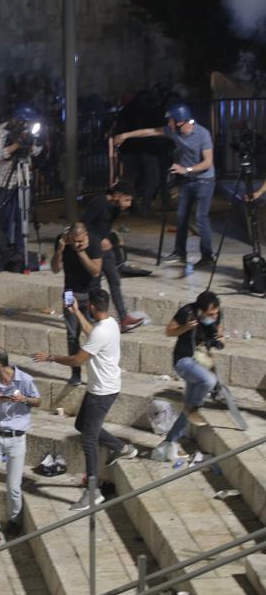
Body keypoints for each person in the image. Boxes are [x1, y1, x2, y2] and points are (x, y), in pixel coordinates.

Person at [33, 290, 137, 510]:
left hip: (102, 392)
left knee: (88, 439)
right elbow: (92, 333)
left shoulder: (101, 332)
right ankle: (122, 448)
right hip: (101, 387)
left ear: (91, 306)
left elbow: (77, 360)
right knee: (81, 425)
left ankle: (92, 492)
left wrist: (50, 357)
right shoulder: (111, 323)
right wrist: (77, 313)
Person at [114, 102, 216, 266]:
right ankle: (180, 252)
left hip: (204, 180)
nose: (168, 123)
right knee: (181, 216)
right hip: (187, 180)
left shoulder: (202, 134)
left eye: (171, 120)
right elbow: (150, 131)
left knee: (201, 217)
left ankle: (207, 256)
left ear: (180, 121)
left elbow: (208, 162)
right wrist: (125, 135)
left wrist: (186, 169)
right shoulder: (173, 131)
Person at [0, 347, 40, 543]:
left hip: (16, 439)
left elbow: (37, 401)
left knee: (13, 486)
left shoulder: (24, 379)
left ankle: (15, 520)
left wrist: (24, 399)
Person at [159, 290, 224, 458]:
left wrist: (219, 340)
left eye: (216, 313)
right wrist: (186, 327)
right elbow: (169, 331)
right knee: (209, 381)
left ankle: (169, 442)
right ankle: (192, 409)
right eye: (210, 314)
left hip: (200, 362)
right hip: (183, 361)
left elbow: (219, 333)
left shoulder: (216, 314)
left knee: (190, 408)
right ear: (200, 310)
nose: (214, 316)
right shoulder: (187, 312)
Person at [82, 182, 142, 332]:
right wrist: (99, 240)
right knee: (94, 284)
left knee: (114, 280)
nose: (128, 204)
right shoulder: (99, 202)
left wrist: (112, 237)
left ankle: (124, 318)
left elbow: (105, 226)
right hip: (94, 249)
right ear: (118, 195)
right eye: (126, 200)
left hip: (106, 249)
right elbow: (85, 224)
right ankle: (94, 316)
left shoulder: (115, 208)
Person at [51, 223, 103, 387]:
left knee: (94, 334)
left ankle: (98, 372)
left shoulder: (94, 242)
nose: (76, 244)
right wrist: (59, 251)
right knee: (72, 335)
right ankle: (75, 373)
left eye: (80, 241)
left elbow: (96, 271)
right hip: (69, 292)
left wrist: (81, 252)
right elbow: (54, 269)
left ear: (86, 235)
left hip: (91, 292)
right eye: (73, 241)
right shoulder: (62, 241)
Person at [0, 104, 44, 255]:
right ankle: (5, 250)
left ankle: (20, 251)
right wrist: (14, 146)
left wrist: (34, 142)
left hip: (23, 179)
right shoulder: (2, 131)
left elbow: (36, 152)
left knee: (22, 217)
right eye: (25, 121)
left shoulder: (30, 131)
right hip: (4, 180)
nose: (27, 124)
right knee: (6, 218)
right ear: (16, 119)